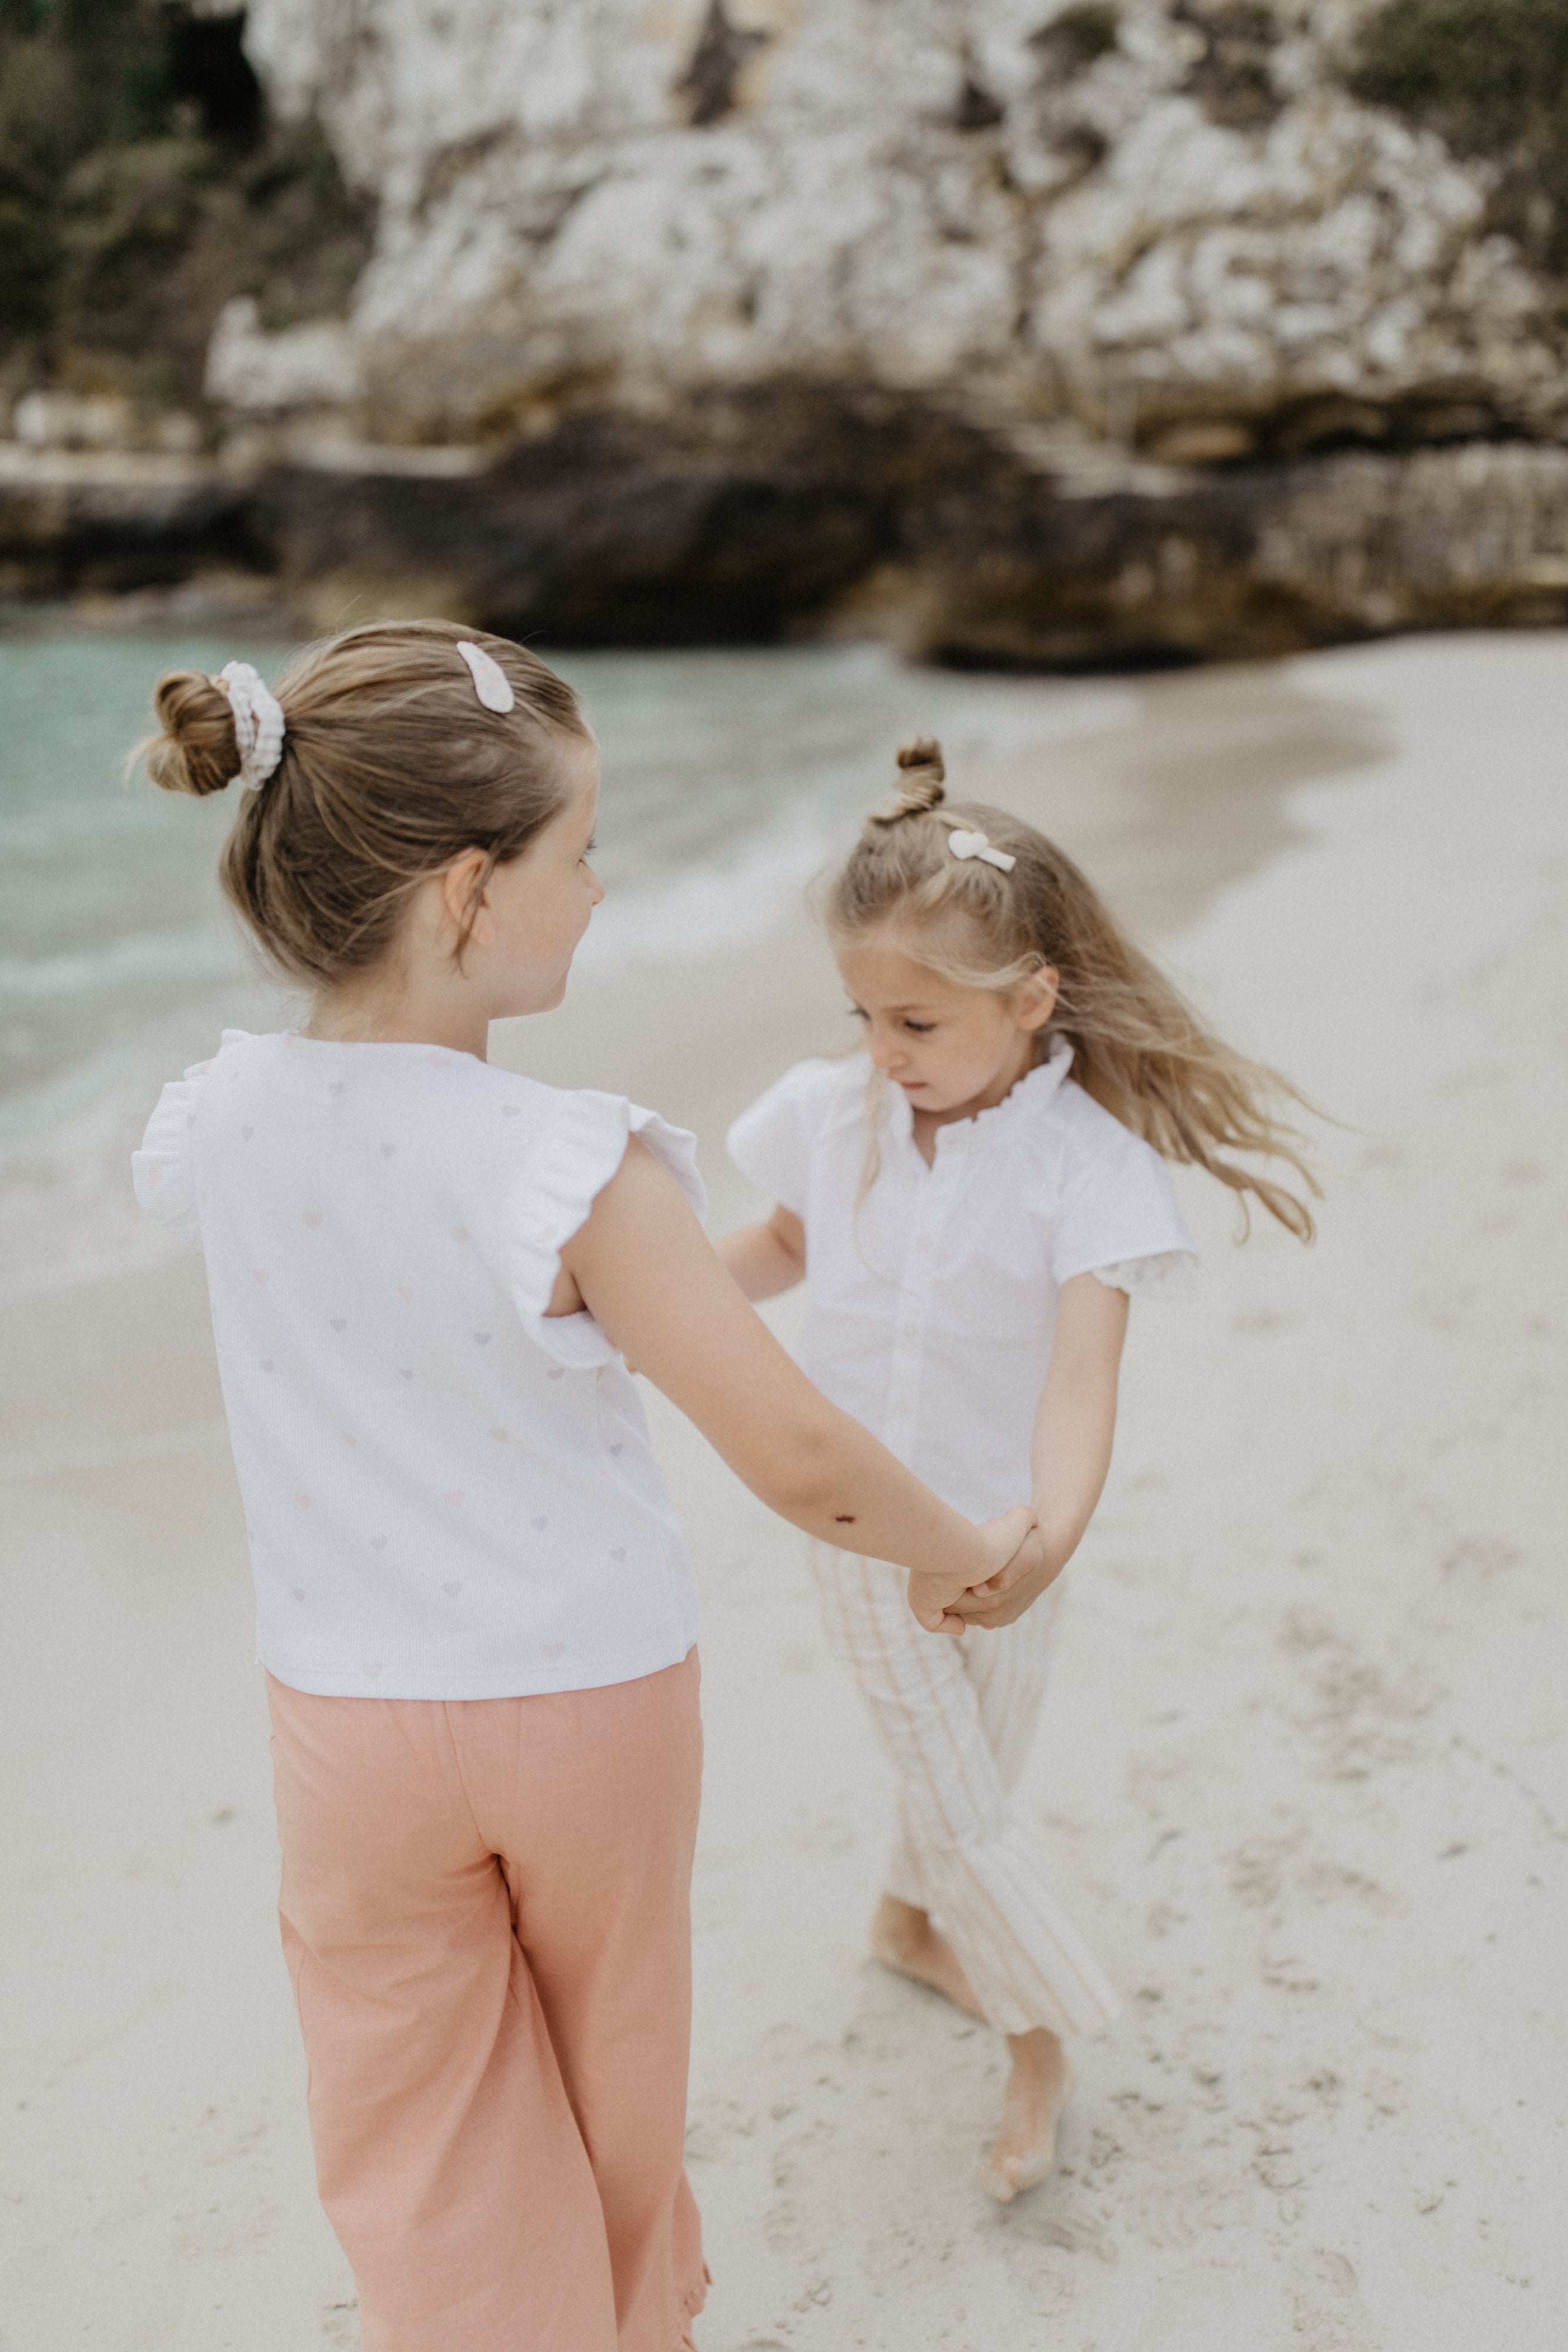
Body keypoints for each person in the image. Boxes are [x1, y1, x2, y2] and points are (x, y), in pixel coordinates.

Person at [129, 633, 1035, 2352]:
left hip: (346, 1716)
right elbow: (799, 1454)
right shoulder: (571, 1163)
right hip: (582, 1699)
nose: (601, 889)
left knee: (406, 2108)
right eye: (579, 853)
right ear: (469, 892)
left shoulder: (216, 1121)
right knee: (611, 2075)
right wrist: (963, 1549)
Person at [720, 736, 1318, 2203]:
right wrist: (638, 1305)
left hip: (1015, 1523)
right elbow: (781, 1246)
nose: (883, 1049)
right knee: (967, 1798)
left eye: (916, 1019)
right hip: (862, 1522)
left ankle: (899, 1920)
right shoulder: (830, 1110)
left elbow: (1075, 1376)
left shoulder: (1087, 1160)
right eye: (861, 1012)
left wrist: (1043, 1537)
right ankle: (1040, 2036)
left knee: (972, 1761)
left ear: (1031, 999)